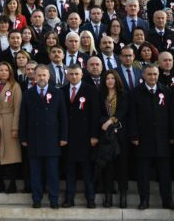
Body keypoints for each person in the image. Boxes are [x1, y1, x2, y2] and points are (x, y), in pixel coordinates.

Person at [19, 65, 68, 209]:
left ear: (48, 77)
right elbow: (23, 117)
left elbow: (63, 117)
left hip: (52, 139)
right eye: (39, 75)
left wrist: (63, 137)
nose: (41, 78)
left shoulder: (57, 93)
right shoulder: (28, 93)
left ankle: (54, 199)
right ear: (34, 76)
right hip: (33, 138)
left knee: (52, 172)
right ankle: (37, 199)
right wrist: (23, 137)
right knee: (35, 172)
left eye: (44, 75)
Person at [129, 64, 174, 210]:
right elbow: (132, 117)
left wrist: (171, 135)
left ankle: (167, 201)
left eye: (155, 74)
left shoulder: (166, 91)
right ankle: (144, 201)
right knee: (143, 174)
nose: (152, 77)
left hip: (162, 139)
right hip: (143, 139)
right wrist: (134, 135)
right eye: (149, 74)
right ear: (143, 75)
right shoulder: (136, 92)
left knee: (165, 174)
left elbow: (171, 115)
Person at [60, 65, 100, 209]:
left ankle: (90, 199)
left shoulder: (90, 90)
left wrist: (94, 135)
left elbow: (95, 115)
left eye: (76, 74)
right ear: (67, 76)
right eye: (71, 74)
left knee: (87, 171)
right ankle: (69, 199)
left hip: (85, 137)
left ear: (82, 75)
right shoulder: (62, 91)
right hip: (68, 138)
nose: (74, 76)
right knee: (69, 171)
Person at [97, 70, 129, 208]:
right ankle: (108, 196)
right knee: (108, 167)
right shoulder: (100, 95)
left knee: (122, 167)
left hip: (121, 136)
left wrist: (110, 122)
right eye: (107, 78)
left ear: (117, 80)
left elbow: (123, 112)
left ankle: (123, 197)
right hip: (106, 137)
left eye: (112, 78)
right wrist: (106, 123)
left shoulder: (124, 95)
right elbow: (98, 113)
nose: (110, 81)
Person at [0, 62, 22, 193]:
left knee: (11, 153)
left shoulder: (15, 86)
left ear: (10, 72)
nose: (3, 72)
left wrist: (15, 127)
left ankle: (12, 183)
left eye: (6, 70)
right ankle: (0, 182)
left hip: (9, 121)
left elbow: (18, 108)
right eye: (1, 70)